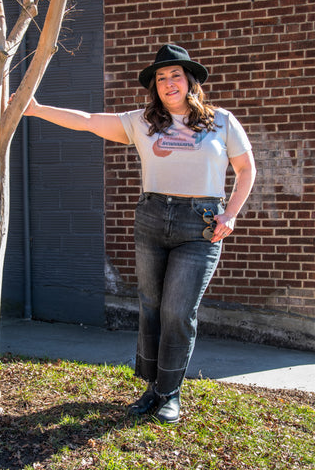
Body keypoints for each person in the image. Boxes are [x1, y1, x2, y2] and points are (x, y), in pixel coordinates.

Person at [20, 44, 256, 424]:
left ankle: (170, 393)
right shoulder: (142, 121)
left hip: (200, 224)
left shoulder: (222, 121)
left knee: (178, 311)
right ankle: (153, 388)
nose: (168, 83)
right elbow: (89, 120)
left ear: (190, 81)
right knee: (150, 308)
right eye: (161, 78)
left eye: (175, 75)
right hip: (151, 217)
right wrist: (35, 108)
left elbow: (246, 170)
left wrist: (230, 214)